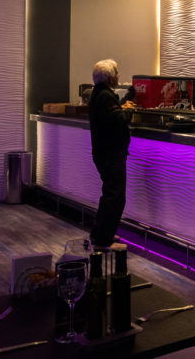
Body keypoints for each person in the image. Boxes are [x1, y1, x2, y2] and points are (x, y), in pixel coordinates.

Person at [88, 59, 136, 247]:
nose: (118, 76)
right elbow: (119, 120)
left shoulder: (98, 93)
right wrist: (129, 110)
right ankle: (103, 240)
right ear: (110, 78)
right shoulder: (106, 96)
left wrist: (123, 107)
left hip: (103, 152)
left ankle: (99, 234)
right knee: (115, 197)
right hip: (111, 153)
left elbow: (111, 116)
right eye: (116, 73)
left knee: (109, 194)